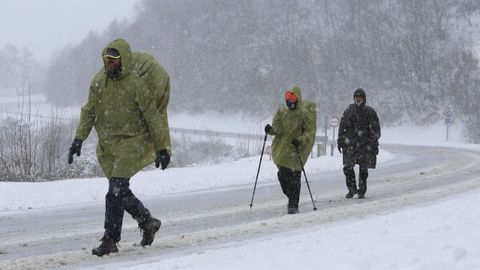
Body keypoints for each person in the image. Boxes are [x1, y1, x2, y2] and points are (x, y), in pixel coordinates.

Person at [68, 38, 172, 256]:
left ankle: (110, 240)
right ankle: (147, 222)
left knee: (114, 189)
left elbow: (153, 116)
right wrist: (79, 139)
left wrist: (162, 148)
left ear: (123, 60)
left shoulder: (135, 83)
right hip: (110, 144)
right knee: (120, 190)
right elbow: (89, 111)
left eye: (114, 60)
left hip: (133, 140)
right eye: (106, 60)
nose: (110, 64)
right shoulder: (98, 82)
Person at [265, 86, 317, 214]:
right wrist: (270, 130)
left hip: (297, 150)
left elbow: (310, 132)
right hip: (284, 151)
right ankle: (292, 198)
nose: (290, 101)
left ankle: (293, 205)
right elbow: (278, 130)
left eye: (292, 98)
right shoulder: (282, 113)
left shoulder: (304, 114)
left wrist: (300, 140)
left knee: (295, 179)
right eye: (288, 98)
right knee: (282, 176)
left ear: (297, 98)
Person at [337, 88, 380, 199]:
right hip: (350, 145)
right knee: (347, 167)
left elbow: (376, 130)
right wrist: (340, 139)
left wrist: (372, 142)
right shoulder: (349, 111)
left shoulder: (370, 112)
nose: (358, 99)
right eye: (356, 97)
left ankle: (361, 190)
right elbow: (342, 126)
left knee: (363, 169)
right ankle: (351, 189)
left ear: (364, 98)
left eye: (360, 97)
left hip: (364, 145)